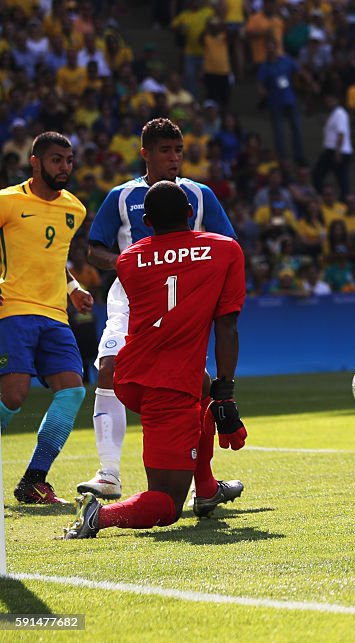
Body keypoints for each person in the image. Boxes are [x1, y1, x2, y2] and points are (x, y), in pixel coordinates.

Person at [64, 181, 247, 539]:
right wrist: (228, 393)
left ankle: (207, 487)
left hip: (133, 372)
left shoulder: (130, 260)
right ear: (192, 214)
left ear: (146, 220)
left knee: (203, 386)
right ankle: (97, 515)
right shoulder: (226, 250)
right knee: (165, 505)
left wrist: (217, 393)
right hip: (167, 386)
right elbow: (226, 325)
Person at [79, 118, 239, 506]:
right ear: (145, 154)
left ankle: (204, 485)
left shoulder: (199, 194)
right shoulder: (121, 195)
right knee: (109, 368)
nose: (174, 158)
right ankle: (109, 473)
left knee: (194, 386)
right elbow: (94, 247)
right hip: (132, 295)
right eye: (165, 151)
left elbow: (226, 241)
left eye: (178, 151)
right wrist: (131, 264)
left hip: (180, 301)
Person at [0, 132, 91, 504]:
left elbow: (54, 258)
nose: (64, 167)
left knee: (72, 390)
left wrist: (73, 288)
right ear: (35, 161)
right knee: (14, 396)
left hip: (55, 314)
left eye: (69, 160)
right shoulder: (7, 201)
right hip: (15, 308)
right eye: (57, 160)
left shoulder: (75, 209)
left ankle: (34, 481)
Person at [313, 94, 352, 197]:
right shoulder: (333, 114)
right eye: (327, 100)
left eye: (331, 99)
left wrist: (338, 151)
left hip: (337, 150)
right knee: (340, 178)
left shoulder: (340, 113)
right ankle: (335, 197)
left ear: (337, 100)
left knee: (319, 174)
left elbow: (341, 133)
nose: (328, 102)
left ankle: (342, 199)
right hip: (334, 150)